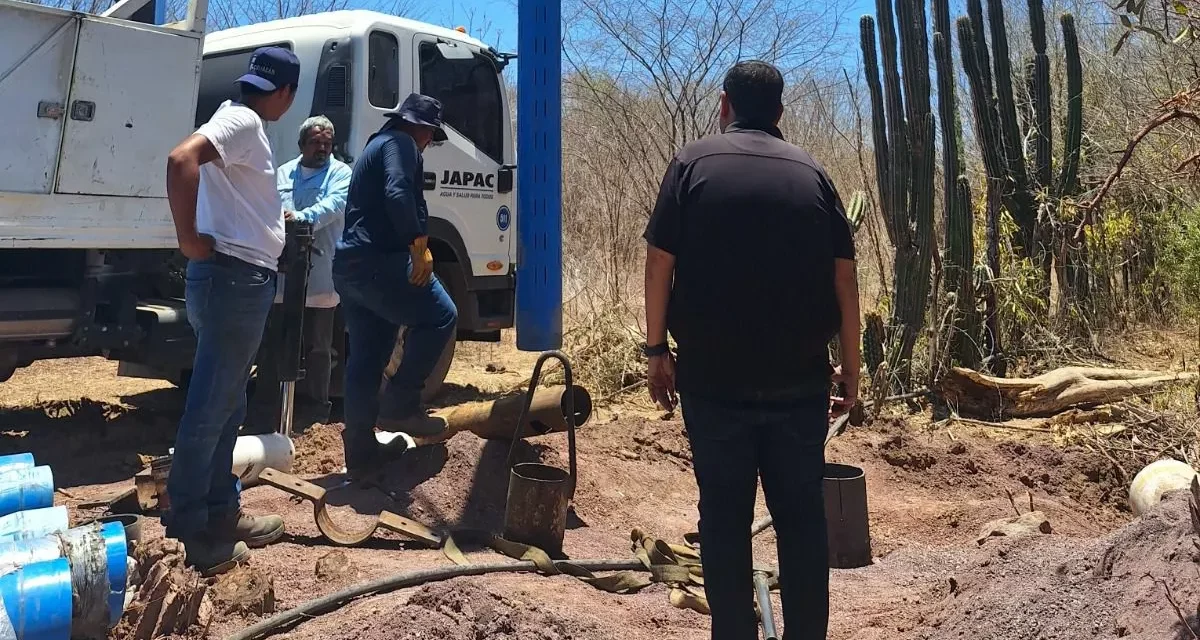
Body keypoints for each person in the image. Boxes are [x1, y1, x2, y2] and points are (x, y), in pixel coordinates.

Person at [642, 61, 861, 640]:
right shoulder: (814, 174)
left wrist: (656, 348)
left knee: (723, 518)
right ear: (781, 113)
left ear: (724, 106)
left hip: (714, 385)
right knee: (801, 522)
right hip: (799, 385)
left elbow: (659, 262)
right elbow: (846, 281)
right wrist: (853, 374)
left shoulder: (693, 163)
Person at [163, 46, 300, 576]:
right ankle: (192, 529)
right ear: (285, 94)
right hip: (234, 279)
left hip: (238, 278)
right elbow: (181, 160)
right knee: (212, 405)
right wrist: (189, 239)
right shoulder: (243, 122)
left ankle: (221, 510)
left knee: (227, 403)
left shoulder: (236, 118)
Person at [333, 93, 457, 477]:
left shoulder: (376, 144)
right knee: (441, 316)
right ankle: (402, 405)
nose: (428, 144)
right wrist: (418, 241)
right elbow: (398, 191)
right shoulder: (401, 143)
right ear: (422, 128)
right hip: (380, 262)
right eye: (430, 137)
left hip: (351, 267)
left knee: (367, 358)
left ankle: (361, 453)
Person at [248, 116, 352, 429]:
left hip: (320, 274)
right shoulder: (283, 173)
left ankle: (316, 412)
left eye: (327, 143)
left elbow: (334, 205)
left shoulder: (341, 173)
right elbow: (268, 205)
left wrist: (299, 219)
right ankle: (265, 410)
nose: (322, 148)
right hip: (283, 273)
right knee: (275, 344)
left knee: (319, 347)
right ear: (301, 145)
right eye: (315, 142)